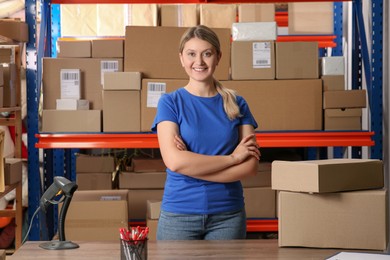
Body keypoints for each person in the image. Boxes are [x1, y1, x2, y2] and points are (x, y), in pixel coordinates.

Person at [151, 25, 260, 240]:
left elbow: (250, 167)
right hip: (179, 215)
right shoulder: (170, 103)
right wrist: (233, 158)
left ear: (218, 57)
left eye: (207, 54)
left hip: (228, 215)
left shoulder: (237, 103)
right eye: (191, 54)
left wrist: (190, 164)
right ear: (181, 58)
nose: (199, 62)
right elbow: (174, 162)